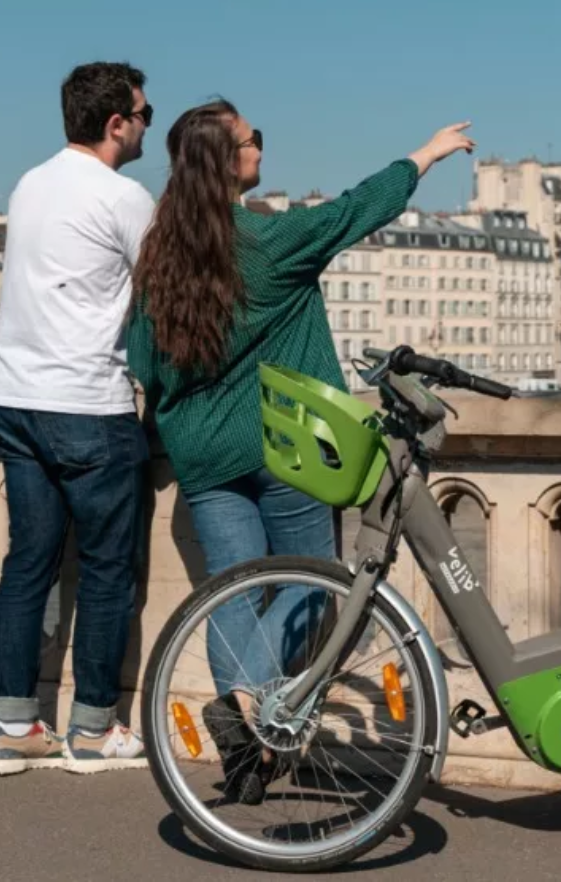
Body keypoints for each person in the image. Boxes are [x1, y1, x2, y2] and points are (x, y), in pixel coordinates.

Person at [126, 99, 474, 800]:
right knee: (314, 584)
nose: (261, 147)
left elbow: (143, 361)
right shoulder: (267, 240)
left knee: (233, 588)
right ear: (228, 161)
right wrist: (426, 155)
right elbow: (353, 210)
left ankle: (247, 746)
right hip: (285, 443)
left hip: (202, 453)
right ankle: (257, 712)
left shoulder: (160, 255)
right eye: (252, 138)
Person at [0, 62, 156, 775]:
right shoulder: (124, 196)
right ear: (116, 124)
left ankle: (11, 728)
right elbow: (165, 293)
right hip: (86, 402)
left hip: (14, 398)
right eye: (143, 114)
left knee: (29, 563)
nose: (147, 126)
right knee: (108, 569)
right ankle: (91, 730)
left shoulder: (29, 184)